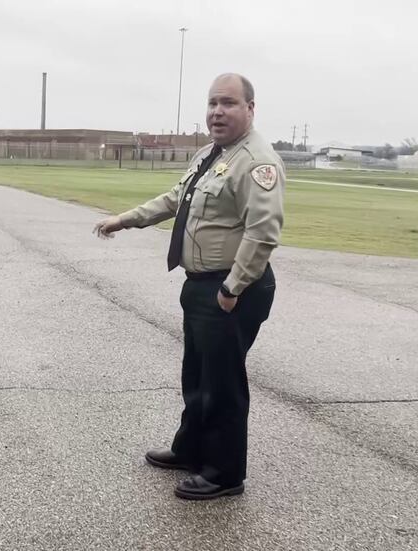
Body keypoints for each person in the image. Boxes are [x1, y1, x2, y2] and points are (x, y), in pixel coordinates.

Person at [93, 73, 285, 500]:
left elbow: (263, 231)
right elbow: (174, 199)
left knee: (223, 382)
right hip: (200, 283)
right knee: (197, 375)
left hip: (233, 288)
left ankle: (224, 473)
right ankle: (191, 449)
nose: (218, 111)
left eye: (229, 103)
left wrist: (233, 288)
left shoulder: (256, 161)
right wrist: (125, 219)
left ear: (250, 109)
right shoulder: (210, 154)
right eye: (213, 102)